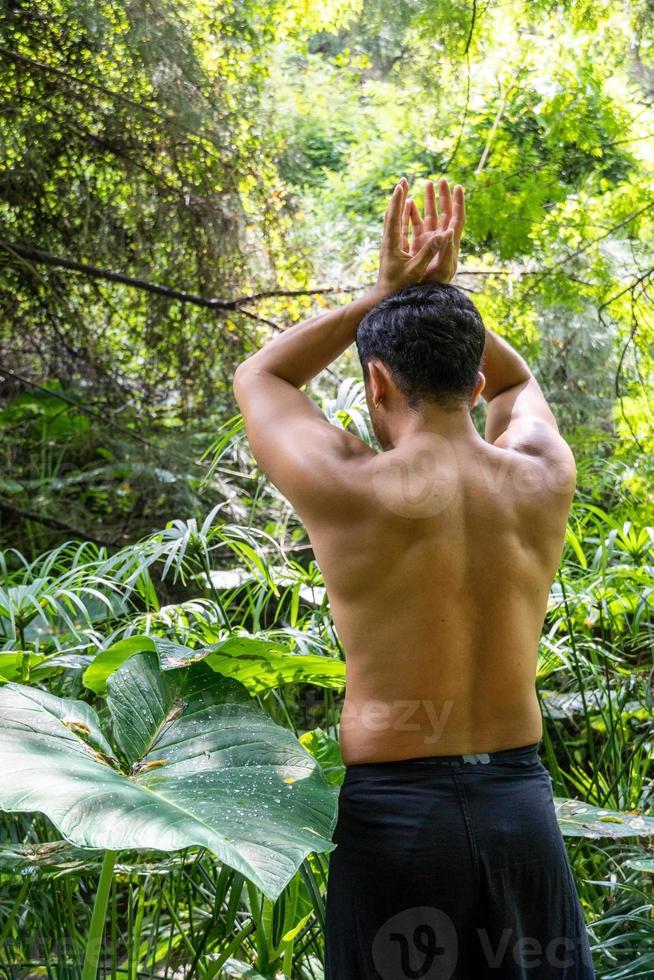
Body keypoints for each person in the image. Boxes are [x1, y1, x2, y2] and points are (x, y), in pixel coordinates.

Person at [232, 177, 596, 979]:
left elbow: (261, 379)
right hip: (518, 810)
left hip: (397, 820)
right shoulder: (541, 475)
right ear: (471, 385)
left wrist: (386, 297)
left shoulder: (348, 488)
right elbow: (518, 384)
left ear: (375, 384)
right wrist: (443, 302)